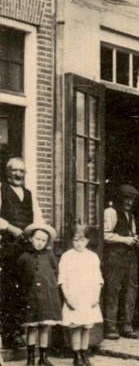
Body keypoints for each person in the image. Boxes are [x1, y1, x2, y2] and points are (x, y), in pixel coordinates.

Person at [1, 156, 43, 346]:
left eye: (21, 171)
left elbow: (38, 220)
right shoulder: (0, 190)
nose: (18, 174)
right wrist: (11, 228)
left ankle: (20, 332)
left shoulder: (29, 194)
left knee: (24, 289)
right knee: (8, 289)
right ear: (7, 171)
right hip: (7, 248)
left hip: (26, 249)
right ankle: (9, 334)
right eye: (14, 170)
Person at [102, 184, 139, 340]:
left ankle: (127, 326)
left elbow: (132, 233)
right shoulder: (111, 212)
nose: (129, 202)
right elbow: (105, 235)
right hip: (115, 256)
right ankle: (110, 327)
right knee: (113, 290)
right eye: (126, 198)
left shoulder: (130, 215)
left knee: (130, 291)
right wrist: (125, 240)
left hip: (129, 257)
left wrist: (137, 239)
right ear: (120, 198)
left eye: (132, 199)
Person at [60, 225, 103, 366]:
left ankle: (85, 353)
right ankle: (76, 355)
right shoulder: (67, 257)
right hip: (74, 296)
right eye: (75, 240)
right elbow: (62, 280)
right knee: (76, 326)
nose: (79, 243)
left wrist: (96, 296)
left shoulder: (92, 257)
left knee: (86, 326)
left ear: (87, 241)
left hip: (88, 296)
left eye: (82, 240)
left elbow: (98, 279)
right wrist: (68, 299)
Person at [18, 223, 60, 366]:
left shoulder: (49, 256)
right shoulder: (24, 256)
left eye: (43, 240)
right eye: (37, 239)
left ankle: (43, 357)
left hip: (47, 297)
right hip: (31, 297)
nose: (40, 243)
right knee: (32, 327)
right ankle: (30, 359)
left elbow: (55, 272)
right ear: (31, 238)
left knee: (44, 327)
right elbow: (19, 276)